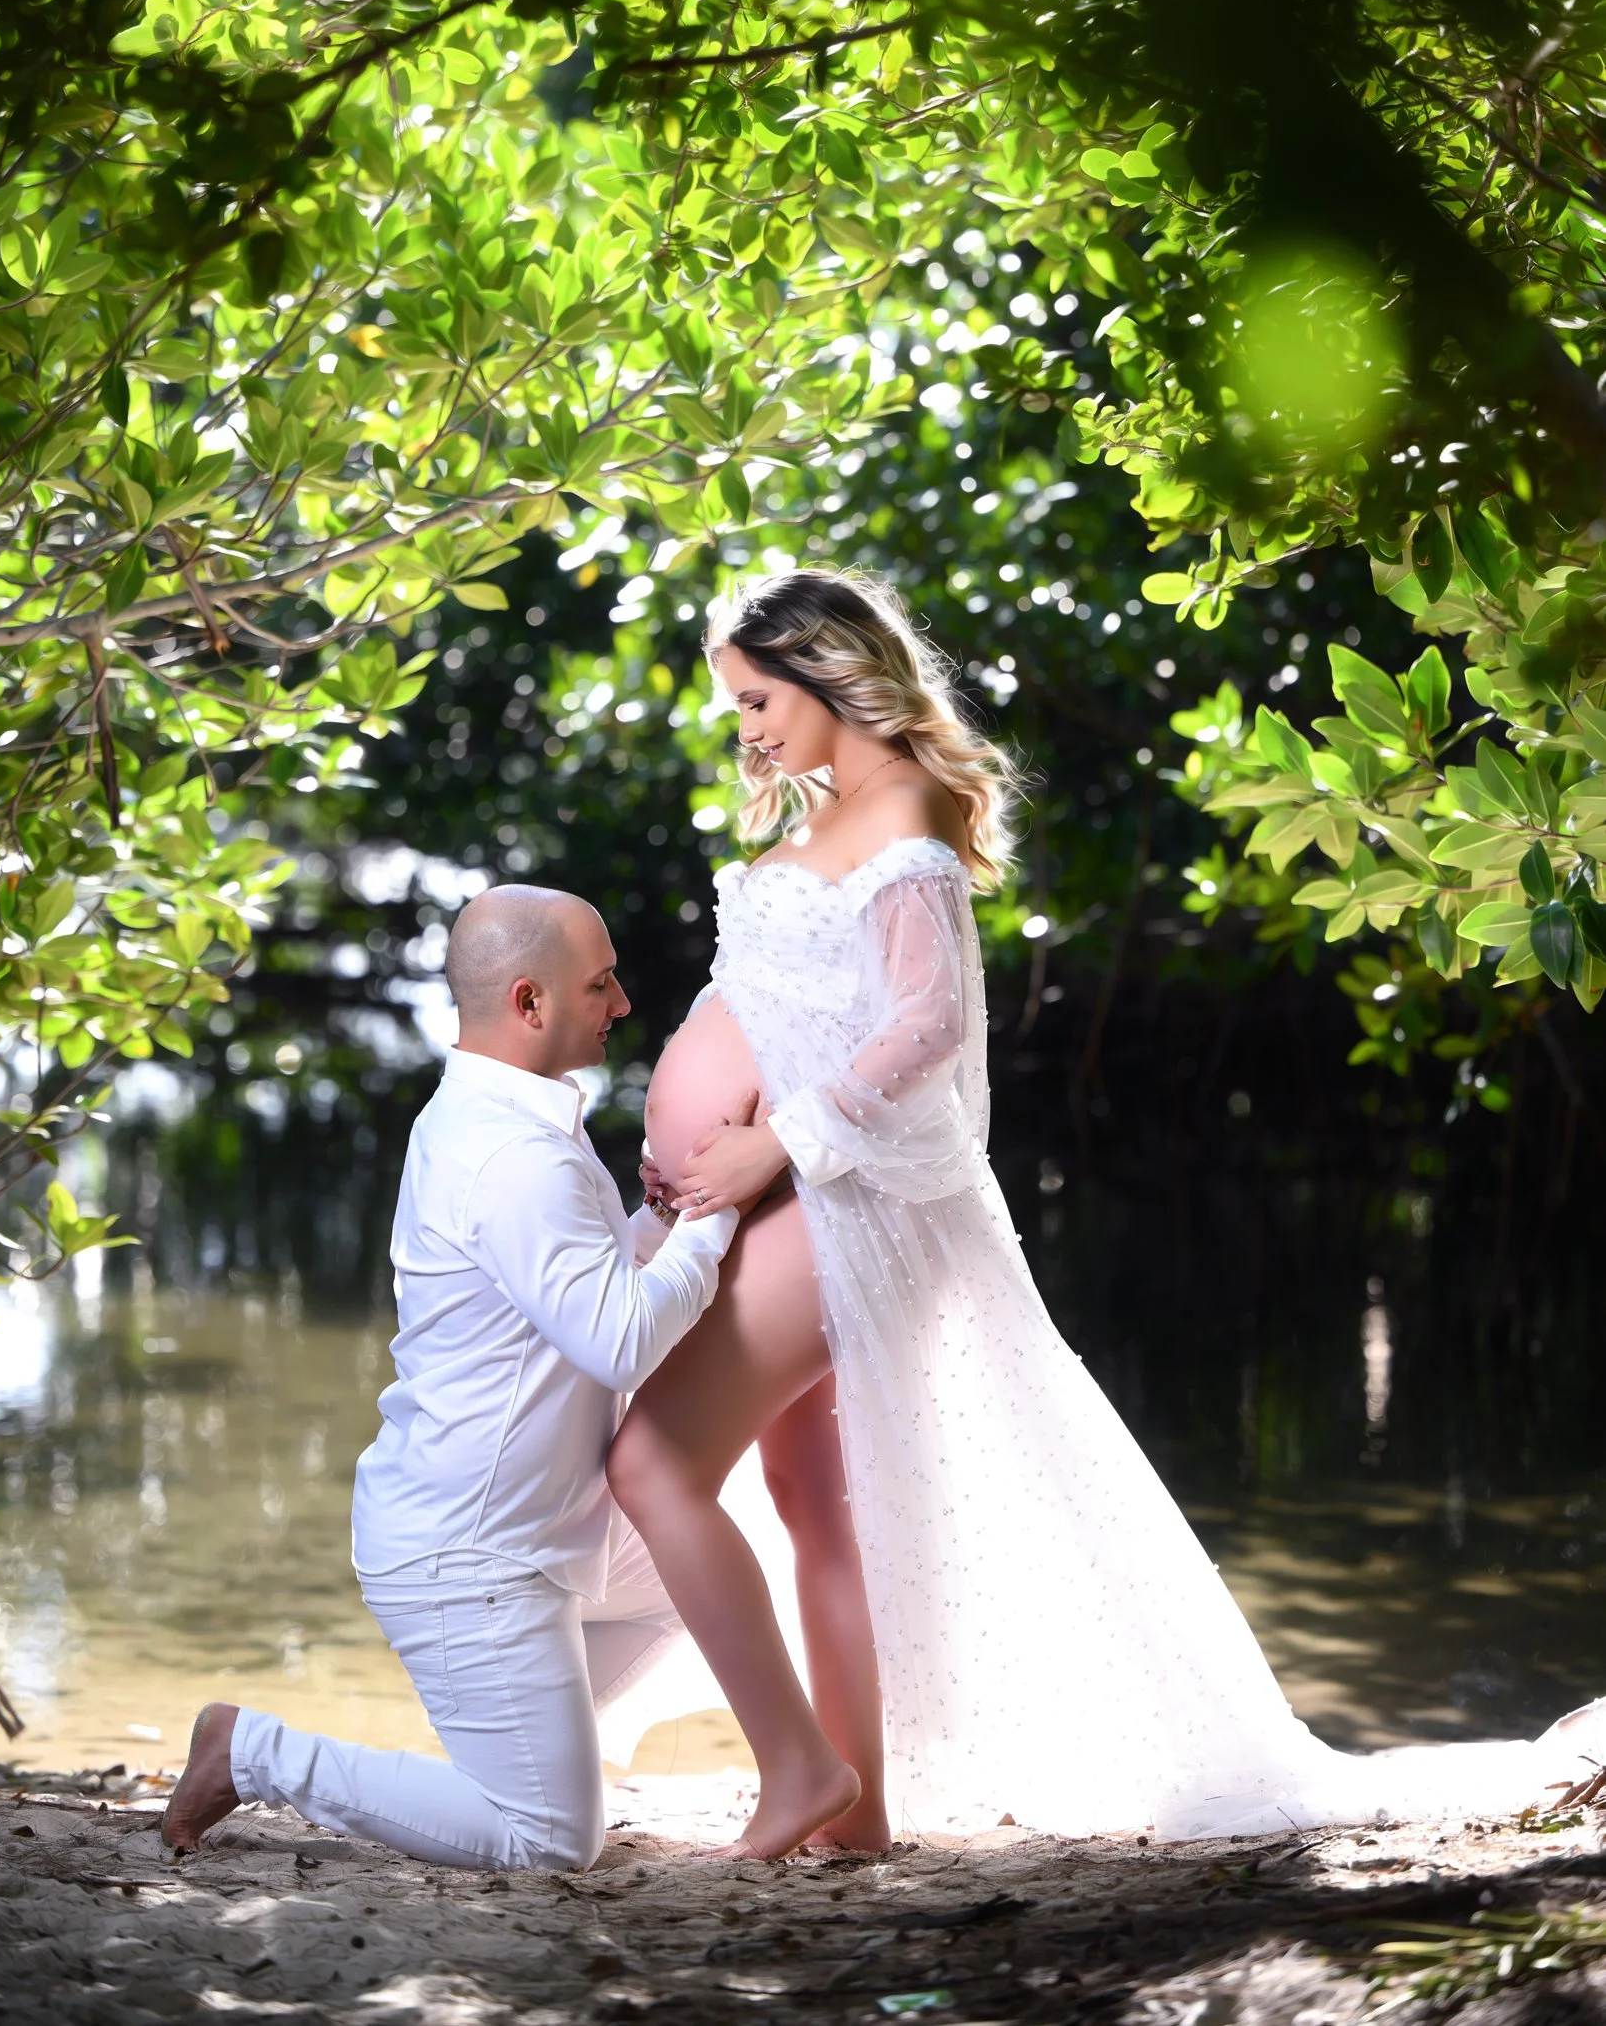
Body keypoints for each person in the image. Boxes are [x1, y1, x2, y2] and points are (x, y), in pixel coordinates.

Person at [609, 567, 1606, 1859]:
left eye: (754, 698)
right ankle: (851, 1810)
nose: (742, 728)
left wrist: (767, 1146)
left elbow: (924, 1026)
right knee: (809, 1496)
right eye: (732, 704)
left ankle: (799, 1772)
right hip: (776, 1198)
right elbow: (783, 999)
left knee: (653, 1461)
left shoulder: (901, 820)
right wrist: (697, 1139)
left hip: (836, 1199)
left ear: (824, 673)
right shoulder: (832, 817)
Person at [162, 885, 739, 1871]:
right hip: (467, 1553)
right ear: (529, 1002)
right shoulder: (511, 1153)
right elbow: (621, 1343)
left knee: (701, 1568)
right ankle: (247, 1748)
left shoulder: (504, 1119)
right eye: (600, 983)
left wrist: (662, 1223)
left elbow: (570, 1292)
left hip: (529, 1524)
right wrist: (720, 1213)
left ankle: (525, 1742)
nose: (622, 1003)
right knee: (552, 1841)